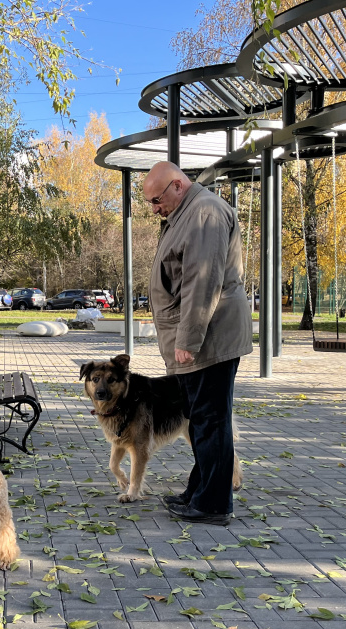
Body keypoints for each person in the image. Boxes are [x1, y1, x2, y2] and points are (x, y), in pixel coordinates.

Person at [142, 161, 253, 526]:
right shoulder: (187, 214)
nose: (155, 208)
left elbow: (202, 282)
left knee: (210, 419)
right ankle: (200, 490)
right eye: (150, 203)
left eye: (157, 200)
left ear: (177, 185)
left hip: (209, 338)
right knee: (201, 418)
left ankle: (213, 504)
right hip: (202, 337)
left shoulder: (204, 213)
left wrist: (188, 339)